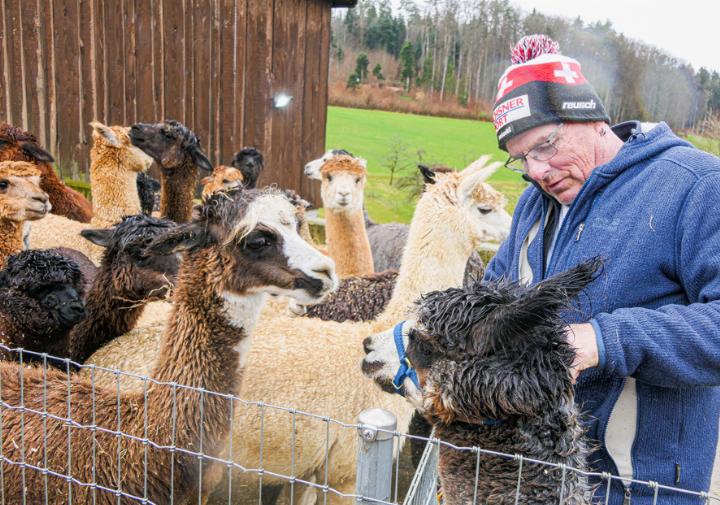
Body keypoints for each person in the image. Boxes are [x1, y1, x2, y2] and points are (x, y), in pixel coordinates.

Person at [484, 34, 720, 504]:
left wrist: (603, 341)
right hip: (542, 471)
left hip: (639, 487)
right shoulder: (536, 204)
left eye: (546, 146)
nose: (537, 170)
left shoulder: (695, 187)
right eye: (522, 158)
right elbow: (496, 293)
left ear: (590, 118)